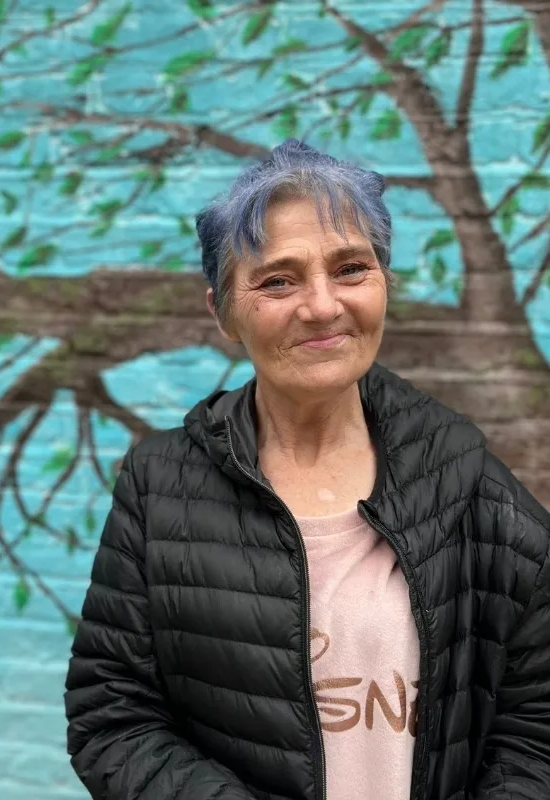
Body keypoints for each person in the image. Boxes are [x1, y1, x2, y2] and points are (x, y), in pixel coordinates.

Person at [63, 139, 550, 800]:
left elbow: (535, 729)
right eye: (277, 280)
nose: (322, 306)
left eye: (351, 268)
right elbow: (112, 718)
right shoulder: (160, 486)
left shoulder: (467, 481)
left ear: (383, 284)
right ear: (223, 312)